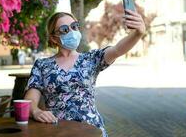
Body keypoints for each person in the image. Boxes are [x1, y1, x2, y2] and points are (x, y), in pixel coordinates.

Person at [24, 9, 146, 137]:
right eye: (65, 30)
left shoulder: (91, 58)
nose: (72, 32)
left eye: (74, 26)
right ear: (54, 38)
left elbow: (117, 50)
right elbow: (30, 99)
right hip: (58, 132)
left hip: (91, 131)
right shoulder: (42, 65)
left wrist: (138, 34)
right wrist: (36, 111)